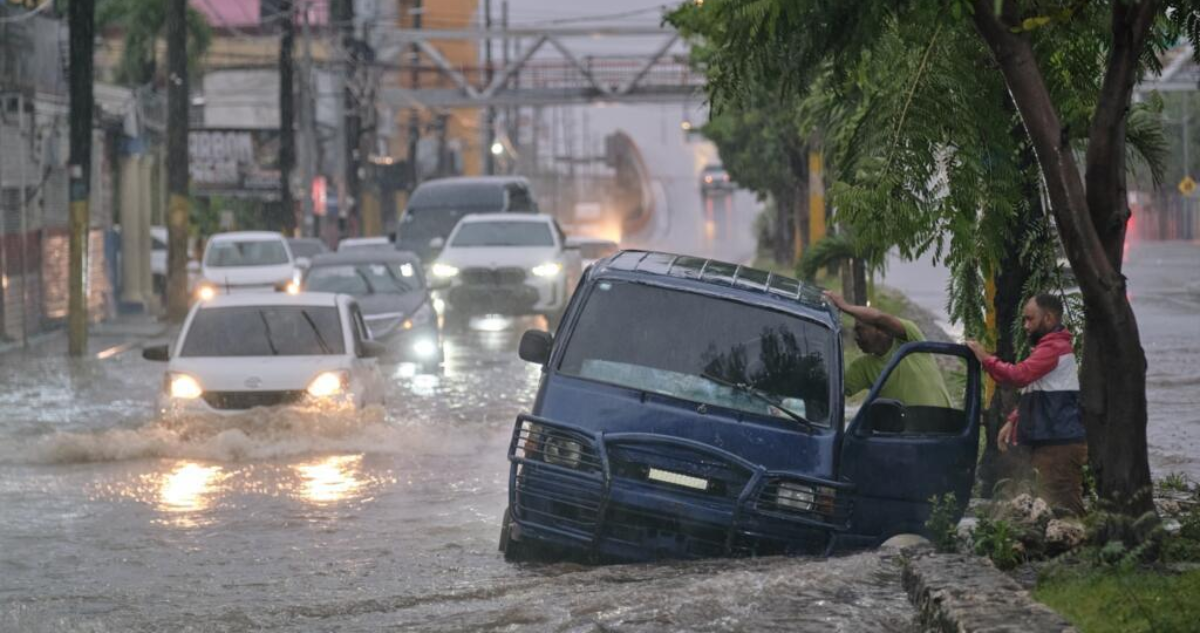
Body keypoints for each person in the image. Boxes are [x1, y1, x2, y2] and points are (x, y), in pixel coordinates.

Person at [966, 293, 1087, 516]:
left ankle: (1082, 547)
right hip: (1052, 442)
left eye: (1030, 319)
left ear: (1049, 318)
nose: (1025, 325)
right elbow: (1038, 390)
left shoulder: (1054, 349)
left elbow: (1019, 376)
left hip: (1058, 444)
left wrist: (984, 358)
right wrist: (1013, 421)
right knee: (1052, 506)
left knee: (1064, 508)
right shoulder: (1050, 347)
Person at [824, 291, 952, 408]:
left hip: (945, 429)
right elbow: (833, 390)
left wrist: (845, 307)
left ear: (879, 329)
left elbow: (879, 318)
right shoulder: (864, 366)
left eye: (860, 329)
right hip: (908, 432)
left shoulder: (910, 338)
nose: (856, 337)